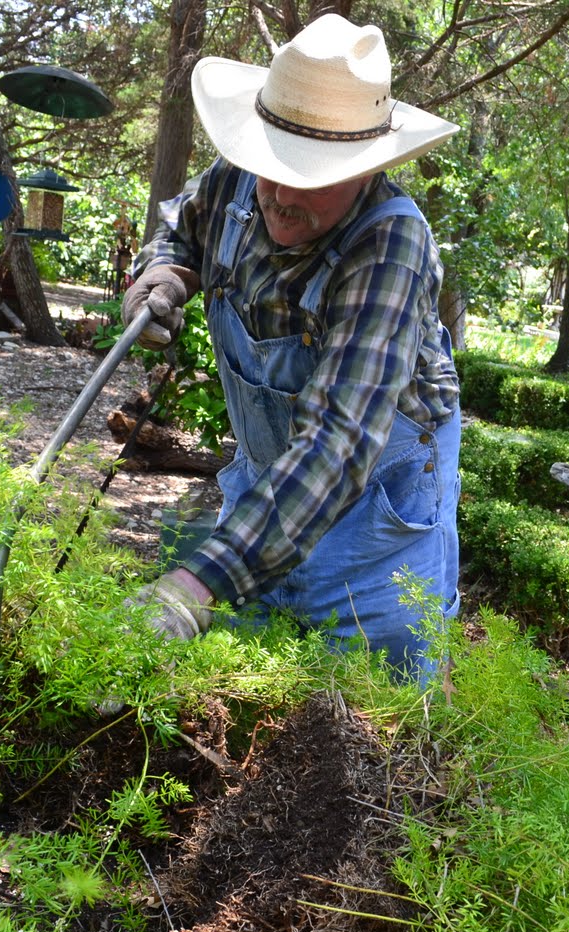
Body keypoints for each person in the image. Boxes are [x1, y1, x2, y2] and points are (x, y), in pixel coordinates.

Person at [121, 13, 463, 680]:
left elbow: (338, 445)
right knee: (237, 691)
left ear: (368, 169)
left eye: (310, 177)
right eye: (270, 165)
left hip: (375, 507)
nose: (277, 193)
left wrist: (196, 586)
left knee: (382, 712)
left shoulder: (388, 247)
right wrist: (161, 272)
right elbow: (178, 230)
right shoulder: (239, 178)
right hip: (266, 481)